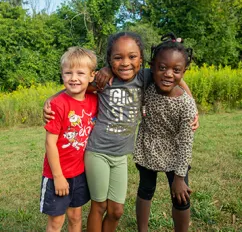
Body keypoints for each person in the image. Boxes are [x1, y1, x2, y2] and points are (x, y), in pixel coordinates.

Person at [43, 32, 198, 232]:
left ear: (141, 61)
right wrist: (52, 99)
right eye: (118, 58)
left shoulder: (145, 77)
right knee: (99, 206)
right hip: (97, 151)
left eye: (132, 57)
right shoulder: (104, 80)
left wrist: (192, 106)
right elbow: (76, 88)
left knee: (116, 210)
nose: (125, 63)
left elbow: (175, 75)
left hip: (120, 156)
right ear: (109, 60)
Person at [133, 33, 197, 232]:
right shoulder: (148, 85)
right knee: (145, 189)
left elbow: (186, 143)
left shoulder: (185, 105)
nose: (169, 74)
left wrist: (179, 178)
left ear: (183, 72)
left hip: (176, 151)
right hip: (148, 145)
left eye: (176, 70)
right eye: (163, 68)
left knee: (180, 196)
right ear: (152, 67)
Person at [40, 47, 98, 232]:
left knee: (75, 217)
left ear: (91, 76)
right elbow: (50, 142)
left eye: (80, 73)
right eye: (68, 73)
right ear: (62, 75)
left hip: (80, 173)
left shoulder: (93, 100)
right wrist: (58, 177)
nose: (74, 78)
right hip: (57, 174)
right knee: (56, 222)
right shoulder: (57, 105)